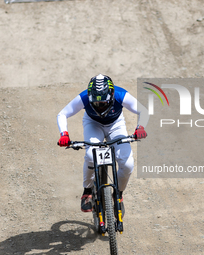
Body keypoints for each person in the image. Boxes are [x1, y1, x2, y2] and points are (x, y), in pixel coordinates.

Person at [57, 74, 148, 217]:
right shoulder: (84, 97)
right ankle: (87, 191)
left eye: (104, 103)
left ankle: (118, 194)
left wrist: (140, 127)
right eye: (96, 103)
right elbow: (62, 114)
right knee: (90, 155)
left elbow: (144, 110)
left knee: (128, 164)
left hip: (116, 125)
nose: (100, 106)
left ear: (112, 96)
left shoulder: (120, 94)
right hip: (93, 124)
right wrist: (64, 134)